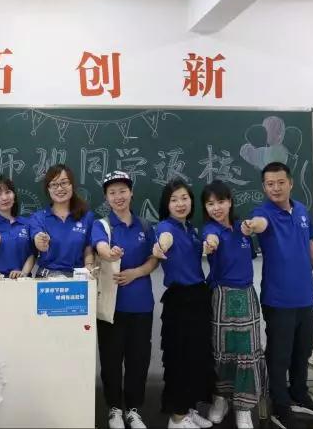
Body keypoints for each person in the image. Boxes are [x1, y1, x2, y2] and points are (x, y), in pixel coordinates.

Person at [246, 162, 313, 429]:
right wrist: (251, 226)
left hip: (305, 296)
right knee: (279, 356)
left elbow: (310, 246)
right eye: (270, 184)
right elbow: (259, 224)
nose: (276, 188)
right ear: (264, 187)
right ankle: (280, 406)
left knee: (302, 351)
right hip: (278, 299)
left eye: (280, 182)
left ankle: (300, 395)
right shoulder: (263, 213)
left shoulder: (302, 210)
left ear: (290, 183)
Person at [91, 171, 158, 429]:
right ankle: (114, 409)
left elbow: (154, 258)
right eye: (112, 192)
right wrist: (110, 253)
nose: (118, 196)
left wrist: (136, 273)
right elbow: (100, 247)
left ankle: (133, 409)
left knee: (138, 360)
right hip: (111, 307)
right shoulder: (102, 225)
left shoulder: (144, 226)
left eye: (122, 191)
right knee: (110, 360)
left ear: (131, 193)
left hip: (141, 305)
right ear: (106, 198)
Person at [200, 180, 267, 429]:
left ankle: (243, 407)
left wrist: (252, 226)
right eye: (210, 204)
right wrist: (210, 244)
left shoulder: (243, 228)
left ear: (230, 202)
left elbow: (258, 225)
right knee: (221, 352)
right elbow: (210, 239)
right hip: (221, 296)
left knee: (246, 354)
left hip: (247, 296)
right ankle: (221, 400)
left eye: (221, 201)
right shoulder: (210, 229)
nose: (216, 208)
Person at [153, 178, 214, 429]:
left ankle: (188, 408)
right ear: (166, 204)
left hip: (199, 296)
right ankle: (176, 418)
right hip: (180, 301)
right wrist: (160, 246)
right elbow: (164, 240)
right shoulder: (165, 227)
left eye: (184, 198)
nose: (180, 203)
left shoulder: (191, 228)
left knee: (196, 358)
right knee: (179, 358)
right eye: (174, 199)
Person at [29, 164, 95, 277]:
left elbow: (88, 248)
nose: (59, 188)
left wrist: (89, 265)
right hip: (46, 279)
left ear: (72, 185)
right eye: (54, 184)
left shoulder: (86, 217)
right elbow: (37, 238)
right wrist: (40, 241)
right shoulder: (38, 218)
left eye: (64, 183)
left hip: (77, 278)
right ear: (48, 189)